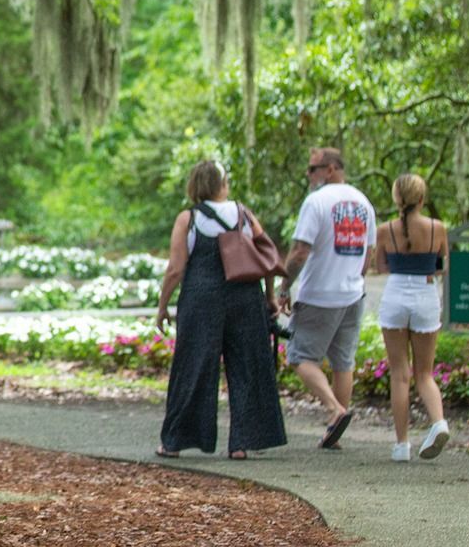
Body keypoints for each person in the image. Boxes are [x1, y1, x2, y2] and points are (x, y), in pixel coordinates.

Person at [154, 160, 288, 460]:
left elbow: (175, 269)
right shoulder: (244, 214)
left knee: (194, 366)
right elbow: (266, 256)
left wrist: (162, 307)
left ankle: (175, 441)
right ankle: (242, 442)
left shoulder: (188, 219)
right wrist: (269, 297)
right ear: (222, 185)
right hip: (245, 298)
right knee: (247, 367)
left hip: (202, 299)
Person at [277, 146, 375, 449]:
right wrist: (354, 278)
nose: (308, 175)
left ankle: (334, 409)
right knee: (343, 362)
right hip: (352, 293)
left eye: (312, 169)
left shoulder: (316, 201)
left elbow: (299, 251)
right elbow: (369, 252)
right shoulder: (364, 202)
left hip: (319, 294)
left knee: (300, 356)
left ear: (330, 169)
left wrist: (284, 287)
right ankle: (334, 432)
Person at [373, 172, 452, 461]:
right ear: (422, 199)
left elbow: (380, 267)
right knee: (424, 373)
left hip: (396, 294)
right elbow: (442, 266)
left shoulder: (385, 230)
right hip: (425, 295)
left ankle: (401, 445)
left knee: (399, 374)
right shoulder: (437, 228)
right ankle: (438, 422)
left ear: (396, 198)